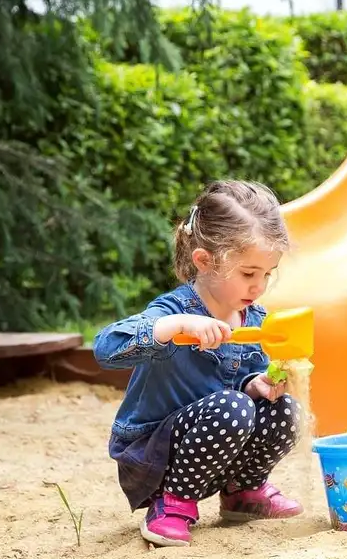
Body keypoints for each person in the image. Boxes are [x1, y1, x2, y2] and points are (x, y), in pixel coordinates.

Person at [92, 180, 304, 548]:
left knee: (284, 408)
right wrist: (174, 328)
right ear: (204, 261)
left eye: (267, 274)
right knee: (233, 407)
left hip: (214, 454)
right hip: (154, 459)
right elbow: (105, 347)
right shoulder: (174, 311)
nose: (259, 286)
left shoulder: (253, 319)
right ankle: (171, 505)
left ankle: (243, 493)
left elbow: (238, 388)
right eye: (248, 273)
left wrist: (258, 385)